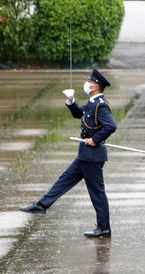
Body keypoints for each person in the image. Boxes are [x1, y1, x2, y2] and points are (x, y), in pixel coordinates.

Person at [19, 69, 117, 238]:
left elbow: (111, 126)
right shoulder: (93, 102)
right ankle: (43, 205)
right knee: (64, 180)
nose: (86, 84)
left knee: (97, 192)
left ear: (95, 86)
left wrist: (95, 139)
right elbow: (79, 114)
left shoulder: (100, 104)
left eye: (89, 82)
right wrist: (71, 101)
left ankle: (104, 228)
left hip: (92, 155)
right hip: (86, 154)